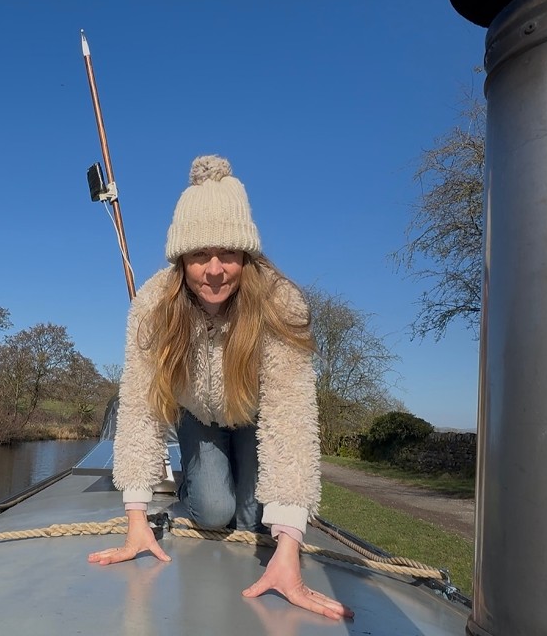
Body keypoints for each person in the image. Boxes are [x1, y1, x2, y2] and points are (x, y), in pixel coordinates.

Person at [87, 154, 354, 621]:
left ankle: (249, 490)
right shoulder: (151, 308)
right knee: (212, 513)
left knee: (256, 524)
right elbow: (138, 409)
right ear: (181, 259)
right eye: (198, 255)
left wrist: (289, 552)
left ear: (246, 255)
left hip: (254, 418)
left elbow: (291, 419)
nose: (214, 270)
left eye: (228, 253)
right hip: (198, 418)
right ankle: (195, 480)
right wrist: (136, 518)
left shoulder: (280, 303)